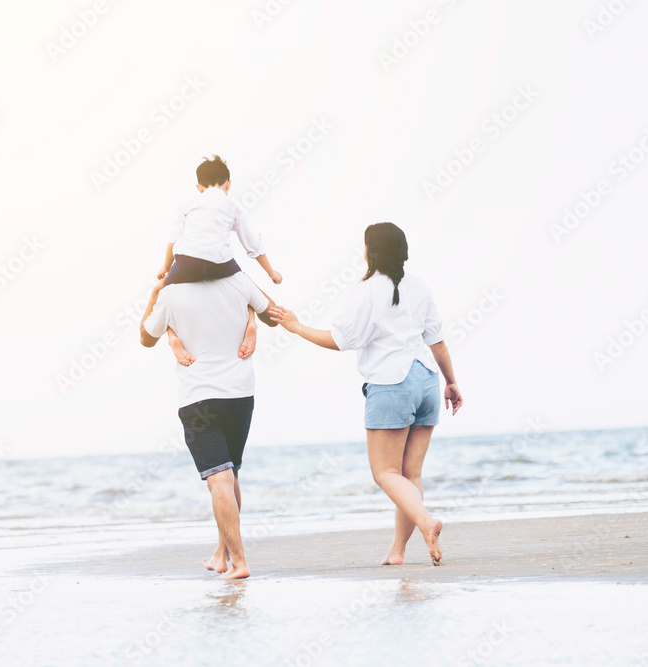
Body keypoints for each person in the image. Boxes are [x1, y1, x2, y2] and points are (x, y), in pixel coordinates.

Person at [270, 222, 463, 567]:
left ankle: (426, 523)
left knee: (385, 472)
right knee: (410, 474)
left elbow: (341, 340)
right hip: (428, 380)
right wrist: (451, 381)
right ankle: (398, 552)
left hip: (392, 384)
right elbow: (438, 341)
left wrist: (296, 326)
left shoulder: (367, 290)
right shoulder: (419, 286)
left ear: (369, 252)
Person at [140, 271, 277, 579]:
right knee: (230, 477)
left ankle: (240, 563)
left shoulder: (172, 294)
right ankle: (222, 555)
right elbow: (273, 312)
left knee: (219, 481)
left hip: (200, 398)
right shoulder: (238, 280)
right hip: (240, 395)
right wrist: (252, 321)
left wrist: (156, 297)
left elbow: (145, 337)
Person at [156, 155, 282, 368]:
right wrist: (272, 273)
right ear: (228, 184)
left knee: (165, 299)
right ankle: (251, 324)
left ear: (199, 187)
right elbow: (252, 245)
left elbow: (173, 241)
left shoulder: (187, 204)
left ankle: (172, 338)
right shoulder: (232, 205)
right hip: (220, 264)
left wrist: (166, 267)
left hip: (188, 262)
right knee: (247, 291)